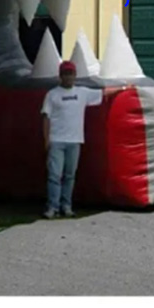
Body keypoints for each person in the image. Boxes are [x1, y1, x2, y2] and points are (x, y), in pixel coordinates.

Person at [40, 61, 103, 219]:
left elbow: (104, 93)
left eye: (71, 74)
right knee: (55, 175)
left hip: (75, 140)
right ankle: (53, 207)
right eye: (65, 74)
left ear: (75, 76)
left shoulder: (82, 92)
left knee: (69, 175)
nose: (68, 77)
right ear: (60, 76)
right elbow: (46, 117)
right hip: (56, 140)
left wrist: (125, 88)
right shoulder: (52, 94)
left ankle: (66, 206)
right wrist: (46, 139)